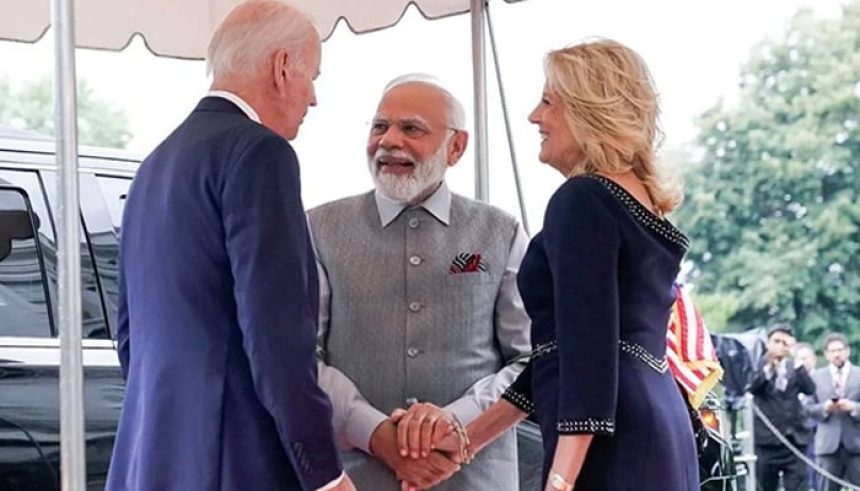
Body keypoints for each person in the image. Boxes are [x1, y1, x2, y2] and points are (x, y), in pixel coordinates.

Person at [395, 39, 700, 490]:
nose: (535, 117)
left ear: (587, 109)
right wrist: (467, 441)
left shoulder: (582, 199)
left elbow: (587, 357)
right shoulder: (639, 201)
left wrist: (559, 481)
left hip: (610, 444)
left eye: (547, 102)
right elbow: (562, 351)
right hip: (657, 422)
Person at [106, 2, 354, 490]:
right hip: (235, 460)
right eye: (313, 77)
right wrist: (325, 474)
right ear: (283, 68)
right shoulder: (261, 154)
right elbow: (276, 336)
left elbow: (129, 334)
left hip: (152, 455)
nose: (314, 99)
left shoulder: (153, 165)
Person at [308, 74, 531, 491]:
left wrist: (454, 422)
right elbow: (301, 357)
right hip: (354, 479)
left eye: (411, 128)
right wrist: (375, 433)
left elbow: (530, 360)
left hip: (475, 478)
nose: (389, 141)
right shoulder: (318, 228)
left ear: (457, 147)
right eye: (379, 126)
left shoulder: (502, 231)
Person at [750, 324, 816, 491]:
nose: (780, 346)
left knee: (799, 486)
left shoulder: (794, 367)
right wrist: (769, 368)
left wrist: (796, 361)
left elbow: (810, 389)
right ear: (768, 343)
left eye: (784, 342)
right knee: (765, 486)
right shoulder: (758, 364)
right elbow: (752, 387)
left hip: (794, 440)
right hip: (767, 442)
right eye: (776, 341)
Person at [805, 332, 860, 490]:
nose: (837, 354)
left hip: (856, 445)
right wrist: (825, 408)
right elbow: (807, 408)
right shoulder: (816, 377)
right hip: (828, 446)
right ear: (826, 354)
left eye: (840, 350)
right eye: (833, 351)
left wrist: (853, 407)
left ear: (847, 351)